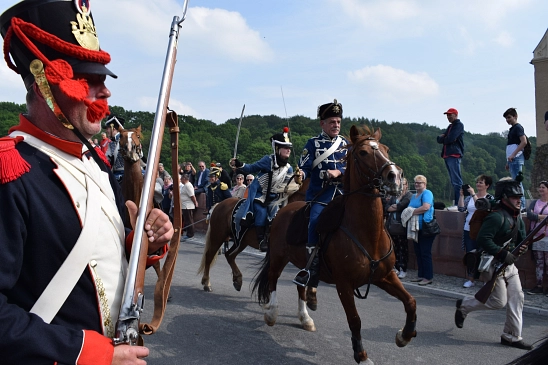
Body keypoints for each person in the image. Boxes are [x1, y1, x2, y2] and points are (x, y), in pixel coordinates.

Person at [0, 1, 174, 364]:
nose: (105, 92)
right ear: (46, 82)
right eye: (87, 80)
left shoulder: (95, 164)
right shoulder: (10, 170)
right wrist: (90, 354)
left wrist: (140, 240)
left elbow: (96, 258)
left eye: (103, 80)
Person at [454, 178, 532, 350]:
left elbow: (520, 239)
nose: (518, 200)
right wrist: (502, 253)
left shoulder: (516, 216)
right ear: (504, 198)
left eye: (519, 197)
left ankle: (512, 336)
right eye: (514, 197)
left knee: (517, 297)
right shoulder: (496, 217)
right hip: (493, 263)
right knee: (498, 302)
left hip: (509, 265)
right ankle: (464, 306)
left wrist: (523, 247)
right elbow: (483, 239)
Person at [293, 99, 348, 287]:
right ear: (322, 123)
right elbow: (305, 167)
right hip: (321, 195)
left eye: (338, 122)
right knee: (314, 223)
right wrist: (300, 173)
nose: (336, 125)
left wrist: (339, 172)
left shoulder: (346, 144)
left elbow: (354, 168)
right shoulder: (313, 144)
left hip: (343, 194)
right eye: (332, 122)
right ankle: (311, 269)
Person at [230, 129, 294, 252]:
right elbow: (251, 168)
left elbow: (286, 186)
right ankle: (261, 240)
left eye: (289, 148)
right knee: (261, 212)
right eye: (285, 147)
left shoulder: (289, 169)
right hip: (260, 195)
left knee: (279, 214)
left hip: (276, 197)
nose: (288, 150)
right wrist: (240, 164)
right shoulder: (267, 160)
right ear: (277, 149)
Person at [457, 174, 493, 288]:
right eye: (477, 182)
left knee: (484, 254)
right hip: (469, 229)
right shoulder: (470, 198)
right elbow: (461, 209)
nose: (478, 184)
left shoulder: (489, 198)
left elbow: (481, 207)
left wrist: (473, 194)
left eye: (481, 182)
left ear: (487, 185)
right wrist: (462, 196)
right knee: (470, 254)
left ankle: (486, 279)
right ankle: (471, 279)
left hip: (483, 230)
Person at [403, 175, 436, 286]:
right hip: (415, 228)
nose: (417, 184)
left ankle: (428, 276)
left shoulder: (427, 193)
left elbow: (425, 207)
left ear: (424, 184)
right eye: (416, 183)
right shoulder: (414, 196)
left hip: (426, 227)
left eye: (419, 183)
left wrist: (412, 212)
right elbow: (409, 207)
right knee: (418, 252)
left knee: (425, 253)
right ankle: (421, 275)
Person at [384, 177, 412, 278]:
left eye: (403, 184)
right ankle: (395, 267)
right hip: (391, 226)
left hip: (402, 227)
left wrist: (393, 207)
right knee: (394, 248)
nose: (401, 186)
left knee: (402, 249)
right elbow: (386, 207)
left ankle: (403, 269)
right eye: (399, 184)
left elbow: (401, 206)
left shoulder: (408, 195)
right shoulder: (394, 195)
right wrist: (392, 207)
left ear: (406, 185)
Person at [437, 108, 464, 206]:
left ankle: (459, 203)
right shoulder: (450, 127)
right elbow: (439, 139)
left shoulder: (458, 125)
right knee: (454, 180)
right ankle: (457, 203)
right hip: (448, 155)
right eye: (447, 115)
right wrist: (445, 138)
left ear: (456, 115)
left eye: (450, 115)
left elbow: (450, 139)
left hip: (454, 154)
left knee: (457, 181)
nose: (448, 117)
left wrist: (444, 138)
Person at [525, 180, 548, 295]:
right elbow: (530, 215)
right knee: (539, 262)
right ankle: (538, 285)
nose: (541, 189)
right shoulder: (535, 202)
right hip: (536, 236)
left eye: (543, 187)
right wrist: (544, 217)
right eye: (540, 187)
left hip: (547, 236)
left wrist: (537, 216)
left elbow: (534, 215)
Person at [504, 107, 527, 211]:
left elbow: (524, 141)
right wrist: (508, 161)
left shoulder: (518, 127)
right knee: (515, 182)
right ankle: (519, 204)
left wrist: (513, 154)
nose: (507, 120)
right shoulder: (512, 129)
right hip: (512, 159)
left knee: (517, 182)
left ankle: (521, 205)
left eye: (509, 117)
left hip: (516, 158)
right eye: (506, 118)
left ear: (515, 116)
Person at [104, 114, 125, 181]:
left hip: (127, 174)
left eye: (107, 128)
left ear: (114, 128)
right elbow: (106, 159)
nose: (106, 131)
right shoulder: (111, 143)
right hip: (115, 174)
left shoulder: (125, 139)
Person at [180, 173, 198, 240]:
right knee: (187, 220)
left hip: (188, 206)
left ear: (184, 179)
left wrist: (195, 202)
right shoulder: (185, 185)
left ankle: (190, 234)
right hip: (185, 206)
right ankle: (189, 233)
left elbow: (192, 196)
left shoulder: (188, 185)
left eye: (181, 178)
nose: (181, 180)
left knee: (189, 220)